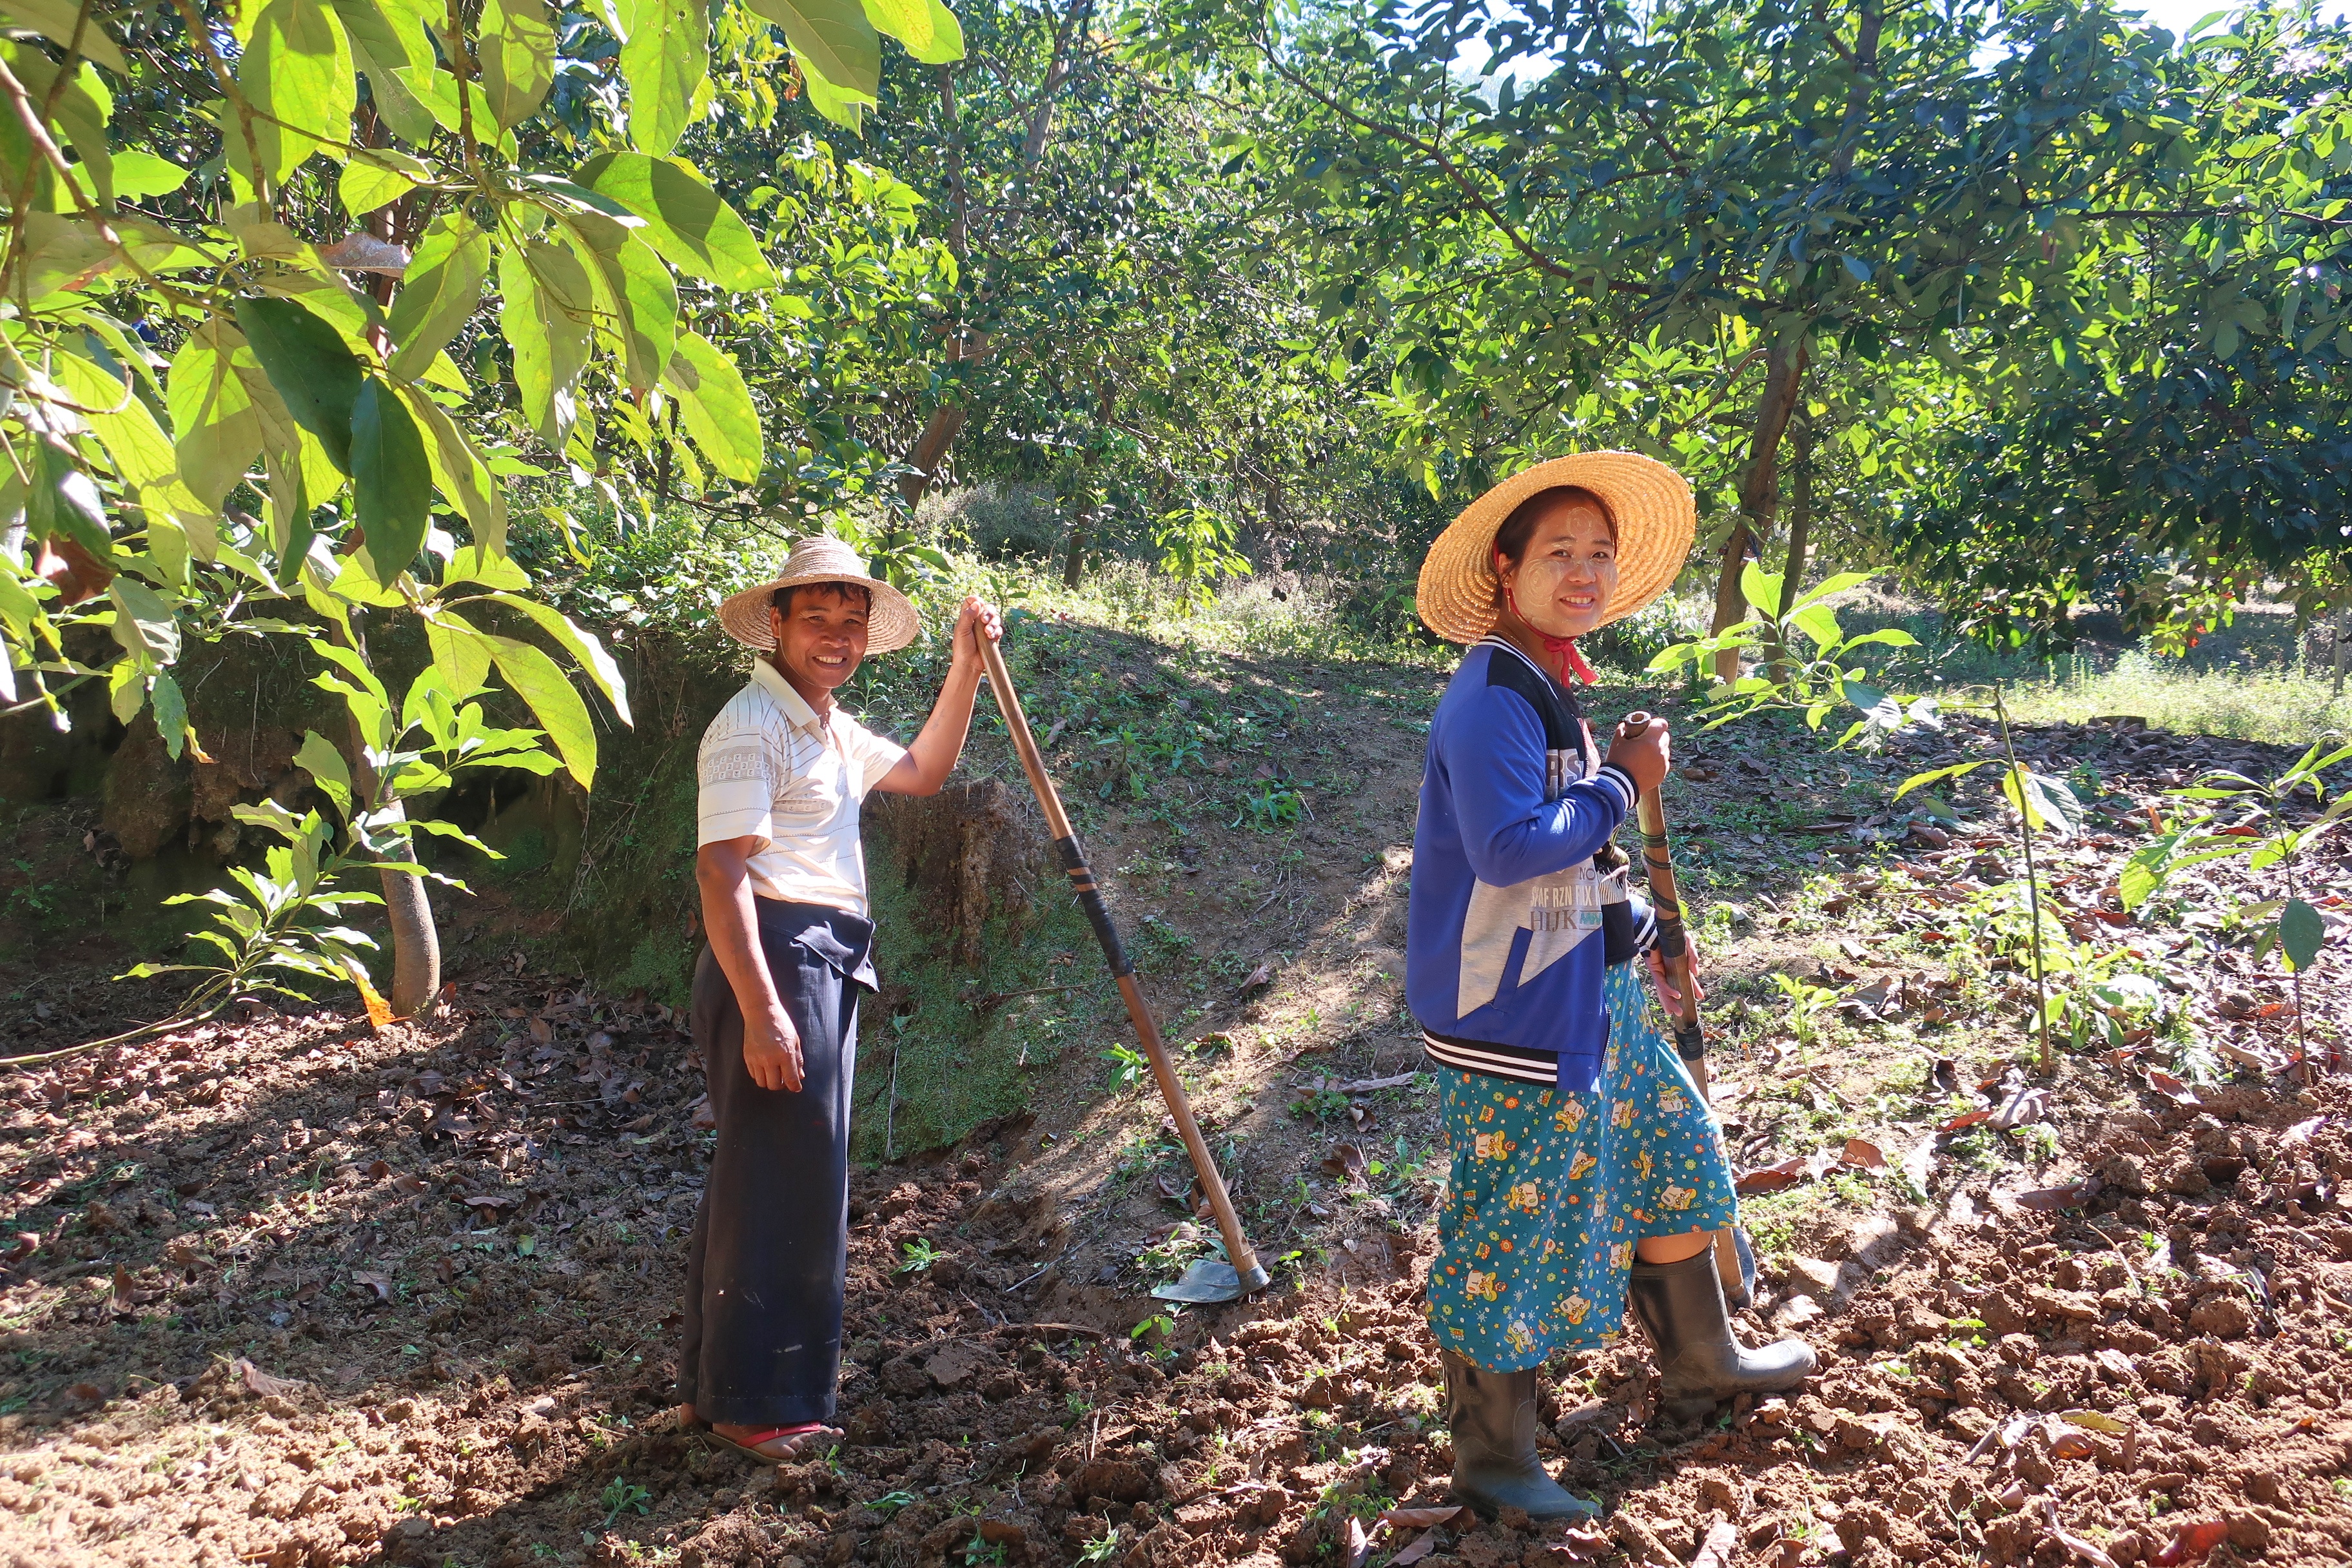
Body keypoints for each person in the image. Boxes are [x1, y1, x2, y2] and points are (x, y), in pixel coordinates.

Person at [1406, 453, 1815, 1520]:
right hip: (1514, 1015)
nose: (1584, 571)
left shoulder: (1546, 681)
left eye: (1600, 552)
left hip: (1590, 988)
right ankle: (1493, 1459)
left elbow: (1575, 864)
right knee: (1514, 1218)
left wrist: (1638, 934)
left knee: (1674, 1147)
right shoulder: (1491, 697)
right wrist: (1622, 784)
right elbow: (1508, 852)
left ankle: (1703, 1360)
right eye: (1559, 552)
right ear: (1506, 570)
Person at [676, 534, 1002, 1464]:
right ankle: (759, 1406)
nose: (835, 637)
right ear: (775, 625)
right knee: (790, 1180)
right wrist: (766, 1010)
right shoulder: (752, 725)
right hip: (776, 961)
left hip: (818, 959)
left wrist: (966, 665)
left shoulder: (826, 726)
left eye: (850, 622)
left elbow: (925, 773)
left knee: (766, 1170)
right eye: (815, 617)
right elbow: (720, 874)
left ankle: (714, 1387)